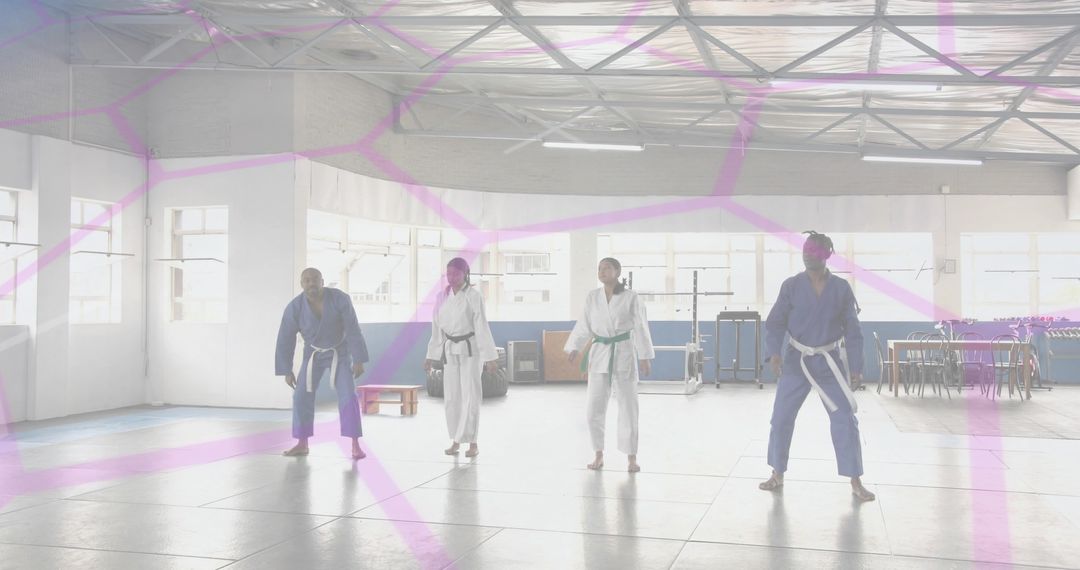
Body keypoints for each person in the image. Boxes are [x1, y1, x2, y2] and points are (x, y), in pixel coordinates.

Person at [759, 232, 875, 501]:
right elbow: (775, 322)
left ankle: (855, 479)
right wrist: (774, 353)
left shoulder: (841, 289)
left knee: (845, 416)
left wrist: (856, 367)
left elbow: (853, 330)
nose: (807, 253)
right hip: (796, 360)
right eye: (805, 249)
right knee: (781, 418)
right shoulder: (791, 286)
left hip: (827, 361)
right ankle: (777, 473)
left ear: (826, 255)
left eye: (813, 250)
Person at [565, 257, 655, 473]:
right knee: (593, 408)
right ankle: (598, 454)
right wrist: (575, 346)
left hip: (623, 351)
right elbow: (584, 324)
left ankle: (631, 457)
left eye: (607, 268)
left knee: (628, 407)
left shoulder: (631, 297)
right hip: (599, 353)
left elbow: (641, 326)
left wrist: (644, 355)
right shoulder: (592, 297)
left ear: (617, 271)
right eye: (599, 268)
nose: (602, 271)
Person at [275, 268, 368, 460]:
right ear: (301, 284)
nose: (311, 284)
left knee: (348, 396)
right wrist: (286, 369)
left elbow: (352, 328)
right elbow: (285, 338)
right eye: (307, 280)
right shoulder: (294, 307)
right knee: (300, 396)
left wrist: (358, 358)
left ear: (322, 281)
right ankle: (302, 443)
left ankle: (355, 444)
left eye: (315, 280)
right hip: (313, 355)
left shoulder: (340, 299)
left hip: (339, 353)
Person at [424, 258, 498, 458]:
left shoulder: (473, 296)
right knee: (452, 397)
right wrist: (431, 355)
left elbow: (481, 326)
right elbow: (436, 329)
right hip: (450, 350)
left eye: (455, 274)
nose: (451, 278)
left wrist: (490, 356)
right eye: (448, 274)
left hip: (471, 350)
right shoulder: (441, 297)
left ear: (465, 274)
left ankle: (473, 442)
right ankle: (455, 440)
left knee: (471, 395)